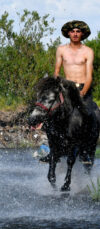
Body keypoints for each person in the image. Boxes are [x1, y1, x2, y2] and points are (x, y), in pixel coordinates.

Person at [39, 20, 98, 164]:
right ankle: (53, 151)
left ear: (82, 34)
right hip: (66, 89)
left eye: (78, 31)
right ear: (68, 34)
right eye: (73, 31)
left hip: (83, 88)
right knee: (51, 112)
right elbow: (57, 72)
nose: (75, 33)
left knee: (90, 114)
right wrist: (55, 88)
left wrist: (83, 92)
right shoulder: (61, 50)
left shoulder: (88, 51)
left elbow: (89, 75)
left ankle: (86, 151)